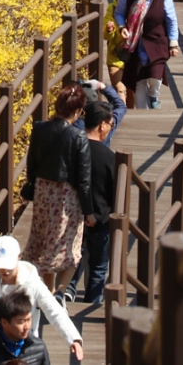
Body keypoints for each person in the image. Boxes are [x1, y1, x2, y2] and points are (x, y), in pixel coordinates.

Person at [22, 83, 95, 296]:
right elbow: (84, 179)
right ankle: (60, 293)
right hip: (66, 197)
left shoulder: (39, 128)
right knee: (71, 248)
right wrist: (88, 211)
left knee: (44, 241)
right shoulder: (78, 137)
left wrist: (35, 188)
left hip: (43, 192)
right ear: (78, 111)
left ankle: (49, 290)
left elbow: (31, 164)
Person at [0, 236, 83, 359]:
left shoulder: (32, 283)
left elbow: (54, 310)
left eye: (8, 264)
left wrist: (73, 339)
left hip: (26, 352)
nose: (4, 270)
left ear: (19, 257)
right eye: (0, 265)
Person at [65, 102, 116, 306]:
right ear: (102, 125)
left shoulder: (71, 149)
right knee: (98, 267)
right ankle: (93, 304)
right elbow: (115, 190)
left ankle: (66, 291)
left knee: (73, 257)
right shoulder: (109, 157)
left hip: (72, 216)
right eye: (111, 124)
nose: (110, 128)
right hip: (101, 218)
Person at [114, 0, 179, 109]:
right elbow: (119, 13)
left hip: (157, 44)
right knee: (139, 82)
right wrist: (121, 27)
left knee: (154, 78)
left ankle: (154, 95)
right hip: (135, 45)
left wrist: (173, 43)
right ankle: (143, 113)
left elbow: (171, 21)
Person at [103, 0, 139, 107]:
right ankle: (122, 115)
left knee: (131, 92)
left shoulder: (142, 8)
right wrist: (110, 29)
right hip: (116, 55)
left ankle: (131, 116)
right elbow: (106, 37)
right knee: (119, 88)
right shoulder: (112, 8)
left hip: (133, 56)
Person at [73, 78, 126, 146]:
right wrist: (103, 87)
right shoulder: (106, 123)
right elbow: (121, 106)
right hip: (102, 154)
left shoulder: (71, 126)